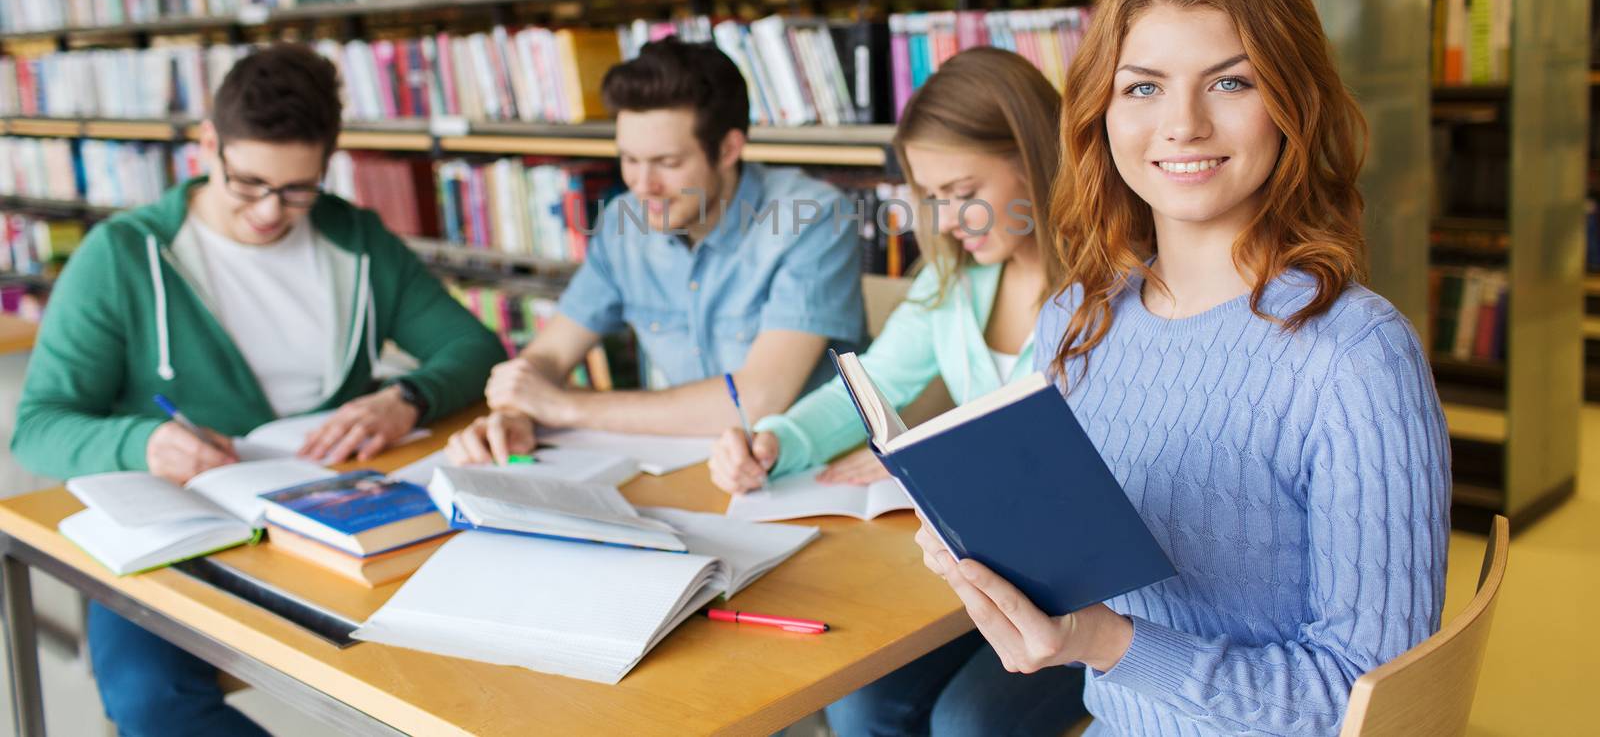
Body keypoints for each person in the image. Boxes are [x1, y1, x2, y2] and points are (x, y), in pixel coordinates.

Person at [913, 0, 1451, 735]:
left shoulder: (1355, 357)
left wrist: (1104, 641)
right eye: (1143, 88)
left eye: (1230, 81)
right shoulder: (1076, 319)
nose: (1183, 124)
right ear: (1102, 111)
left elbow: (1368, 702)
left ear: (1292, 104)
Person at [10, 42, 505, 737]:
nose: (271, 212)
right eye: (247, 184)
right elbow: (38, 426)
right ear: (208, 144)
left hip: (343, 522)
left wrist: (407, 398)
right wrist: (143, 440)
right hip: (183, 537)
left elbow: (476, 349)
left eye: (297, 189)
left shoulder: (355, 240)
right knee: (149, 700)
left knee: (482, 658)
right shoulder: (124, 256)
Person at [710, 47, 1088, 737]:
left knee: (967, 723)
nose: (946, 221)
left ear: (1037, 160)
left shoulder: (1115, 290)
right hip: (985, 576)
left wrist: (952, 471)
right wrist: (775, 441)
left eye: (964, 191)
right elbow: (870, 387)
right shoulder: (952, 284)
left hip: (1091, 594)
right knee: (860, 705)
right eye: (933, 198)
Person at [448, 37, 863, 463]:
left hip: (812, 466)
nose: (643, 186)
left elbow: (757, 399)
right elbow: (551, 353)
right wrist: (517, 411)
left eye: (667, 163)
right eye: (629, 159)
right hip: (689, 462)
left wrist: (564, 406)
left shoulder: (813, 218)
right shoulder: (622, 223)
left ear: (728, 149)